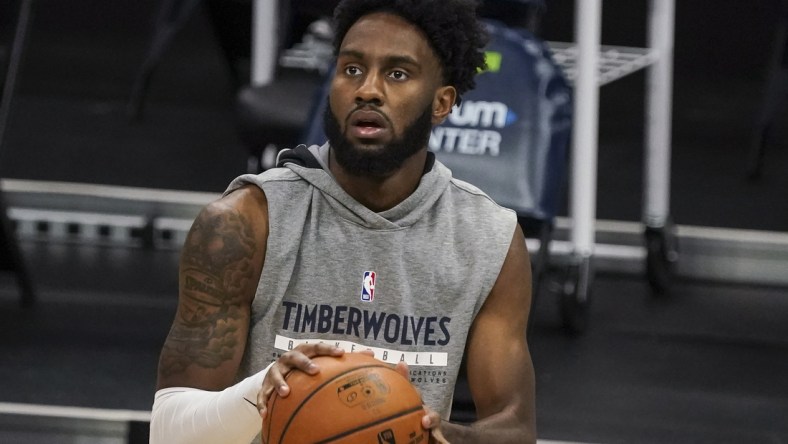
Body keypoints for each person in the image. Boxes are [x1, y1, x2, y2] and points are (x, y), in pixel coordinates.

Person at [149, 0, 536, 443]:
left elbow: (517, 430)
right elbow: (168, 432)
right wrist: (263, 389)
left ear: (442, 102)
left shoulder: (489, 240)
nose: (368, 90)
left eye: (397, 73)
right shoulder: (244, 223)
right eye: (352, 69)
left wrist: (433, 436)